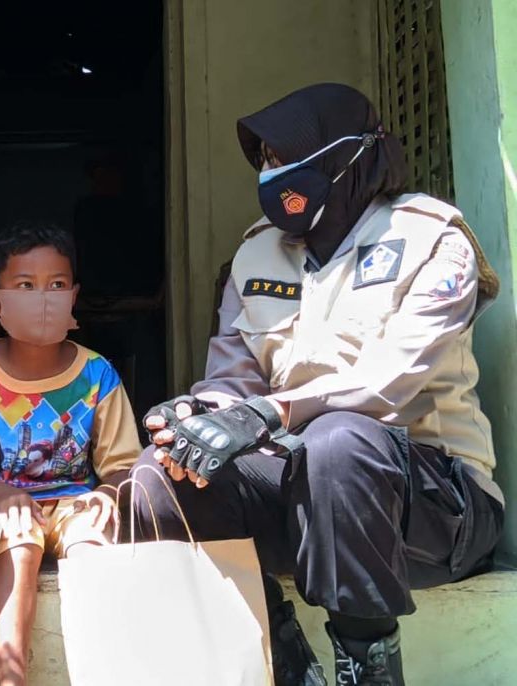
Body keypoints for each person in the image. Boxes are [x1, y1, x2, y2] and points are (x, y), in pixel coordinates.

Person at [130, 83, 504, 686]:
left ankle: (368, 667)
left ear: (349, 156)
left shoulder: (431, 238)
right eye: (265, 163)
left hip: (435, 508)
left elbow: (389, 384)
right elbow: (231, 381)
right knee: (161, 475)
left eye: (286, 159)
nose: (272, 174)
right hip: (307, 495)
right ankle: (281, 654)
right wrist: (198, 415)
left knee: (338, 441)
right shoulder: (256, 257)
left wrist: (268, 414)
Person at [0, 221, 141, 686]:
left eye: (57, 285)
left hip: (73, 502)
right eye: (25, 285)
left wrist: (105, 494)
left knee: (91, 544)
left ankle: (100, 672)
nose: (43, 298)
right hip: (1, 504)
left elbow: (124, 466)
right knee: (21, 542)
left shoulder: (96, 374)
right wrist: (1, 496)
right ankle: (11, 679)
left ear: (74, 294)